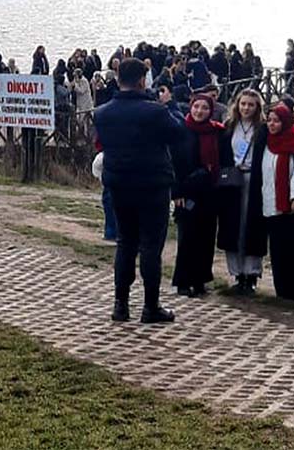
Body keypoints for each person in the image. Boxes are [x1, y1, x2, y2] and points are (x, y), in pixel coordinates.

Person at [93, 58, 186, 324]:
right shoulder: (155, 112)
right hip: (152, 185)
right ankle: (150, 306)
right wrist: (170, 105)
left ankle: (120, 305)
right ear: (143, 80)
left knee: (125, 242)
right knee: (150, 246)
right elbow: (179, 133)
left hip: (119, 184)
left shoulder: (102, 113)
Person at [171, 94, 235, 298]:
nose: (200, 111)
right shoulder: (181, 131)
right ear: (191, 107)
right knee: (187, 238)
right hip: (187, 192)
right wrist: (176, 192)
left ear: (211, 111)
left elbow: (226, 162)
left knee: (206, 239)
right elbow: (173, 163)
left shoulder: (217, 132)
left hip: (210, 192)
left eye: (204, 108)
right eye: (196, 107)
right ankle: (183, 281)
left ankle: (200, 279)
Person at [257, 104, 294, 303]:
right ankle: (282, 291)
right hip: (272, 205)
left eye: (277, 121)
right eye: (270, 120)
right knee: (278, 252)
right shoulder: (267, 143)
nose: (272, 124)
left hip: (293, 208)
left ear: (286, 122)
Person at [219, 89, 267, 295]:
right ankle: (237, 272)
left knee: (252, 225)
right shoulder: (229, 127)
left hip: (254, 180)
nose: (246, 108)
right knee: (233, 224)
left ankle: (252, 273)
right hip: (233, 180)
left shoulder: (262, 129)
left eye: (251, 105)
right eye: (243, 104)